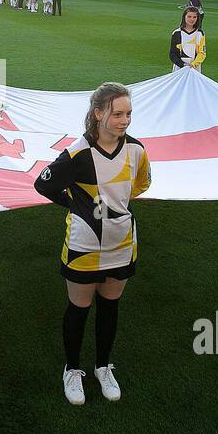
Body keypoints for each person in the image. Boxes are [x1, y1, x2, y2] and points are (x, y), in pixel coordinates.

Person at [33, 83, 151, 405]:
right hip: (84, 246)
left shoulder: (137, 150)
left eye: (128, 113)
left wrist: (112, 207)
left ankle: (102, 366)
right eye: (117, 114)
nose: (124, 120)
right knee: (79, 308)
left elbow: (140, 185)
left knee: (110, 306)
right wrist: (75, 204)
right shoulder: (77, 153)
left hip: (123, 242)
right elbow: (42, 184)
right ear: (98, 113)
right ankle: (72, 370)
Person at [170, 7, 206, 71]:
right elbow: (172, 54)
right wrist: (182, 64)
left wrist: (194, 64)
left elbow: (202, 53)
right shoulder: (176, 33)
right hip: (179, 68)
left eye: (194, 17)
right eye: (189, 16)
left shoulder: (200, 34)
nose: (192, 19)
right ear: (184, 17)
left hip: (194, 68)